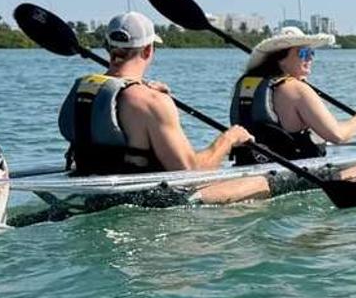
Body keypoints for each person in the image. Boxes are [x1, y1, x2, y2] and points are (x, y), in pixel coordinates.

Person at [56, 12, 253, 187]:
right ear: (148, 50)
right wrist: (229, 140)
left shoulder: (84, 90)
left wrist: (160, 100)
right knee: (260, 184)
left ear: (108, 47)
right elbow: (190, 176)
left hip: (92, 188)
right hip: (147, 202)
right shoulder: (151, 101)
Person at [229, 27, 356, 181]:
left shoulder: (244, 85)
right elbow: (337, 135)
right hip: (292, 176)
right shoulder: (297, 89)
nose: (310, 58)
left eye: (311, 53)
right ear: (281, 59)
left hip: (248, 166)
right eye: (303, 53)